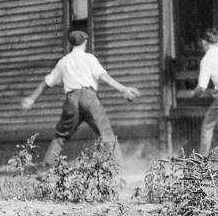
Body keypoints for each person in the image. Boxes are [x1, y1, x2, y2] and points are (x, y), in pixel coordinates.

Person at [20, 30, 140, 166]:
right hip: (89, 98)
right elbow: (103, 76)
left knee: (60, 136)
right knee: (106, 133)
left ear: (71, 44)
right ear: (85, 42)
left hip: (71, 100)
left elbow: (47, 82)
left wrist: (32, 98)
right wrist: (123, 89)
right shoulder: (89, 58)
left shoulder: (63, 62)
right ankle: (119, 168)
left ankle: (45, 168)